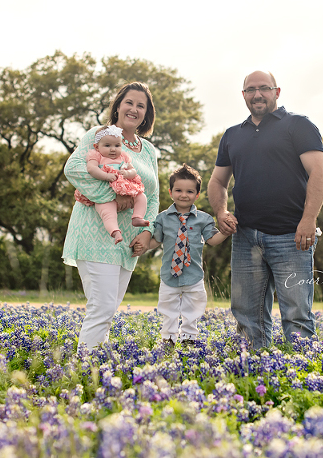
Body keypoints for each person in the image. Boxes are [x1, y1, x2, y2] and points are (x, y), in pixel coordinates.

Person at [207, 71, 323, 349]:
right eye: (251, 90)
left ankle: (299, 373)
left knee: (297, 315)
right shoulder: (232, 135)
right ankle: (256, 373)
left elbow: (319, 173)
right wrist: (221, 212)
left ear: (277, 91)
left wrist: (309, 220)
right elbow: (217, 181)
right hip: (246, 236)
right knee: (247, 316)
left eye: (264, 88)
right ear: (243, 95)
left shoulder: (298, 125)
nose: (257, 94)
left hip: (292, 236)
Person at [63, 82, 159, 350]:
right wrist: (112, 198)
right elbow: (74, 169)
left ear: (147, 113)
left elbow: (153, 196)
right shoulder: (97, 134)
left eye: (141, 105)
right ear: (118, 106)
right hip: (95, 234)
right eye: (129, 102)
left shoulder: (149, 150)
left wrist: (147, 231)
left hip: (127, 242)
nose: (134, 109)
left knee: (108, 313)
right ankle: (84, 372)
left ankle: (97, 375)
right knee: (101, 308)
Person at [145, 164, 230, 345]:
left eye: (190, 191)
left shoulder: (204, 219)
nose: (184, 195)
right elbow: (155, 241)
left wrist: (226, 232)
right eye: (179, 190)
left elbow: (212, 240)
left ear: (197, 195)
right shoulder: (162, 218)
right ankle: (168, 338)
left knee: (194, 308)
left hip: (194, 275)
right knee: (168, 309)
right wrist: (142, 243)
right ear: (170, 192)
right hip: (169, 274)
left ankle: (189, 338)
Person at [83, 125, 150, 244]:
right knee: (107, 211)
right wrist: (106, 176)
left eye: (117, 145)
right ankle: (115, 231)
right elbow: (91, 169)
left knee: (141, 197)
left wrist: (127, 173)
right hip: (106, 192)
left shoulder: (123, 157)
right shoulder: (96, 156)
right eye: (107, 145)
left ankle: (137, 217)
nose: (113, 149)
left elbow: (134, 171)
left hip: (125, 188)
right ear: (97, 147)